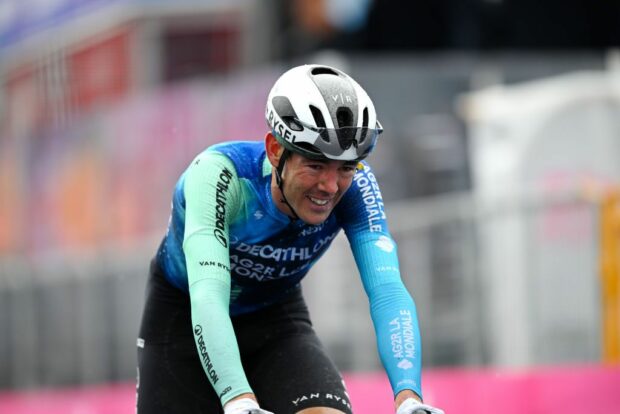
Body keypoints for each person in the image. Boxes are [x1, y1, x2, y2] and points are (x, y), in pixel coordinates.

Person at [136, 64, 444, 414]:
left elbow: (387, 290)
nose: (330, 186)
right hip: (185, 317)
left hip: (275, 319)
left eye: (345, 167)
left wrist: (409, 398)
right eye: (315, 165)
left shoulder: (357, 187)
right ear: (275, 150)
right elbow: (208, 292)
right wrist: (238, 397)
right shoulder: (221, 175)